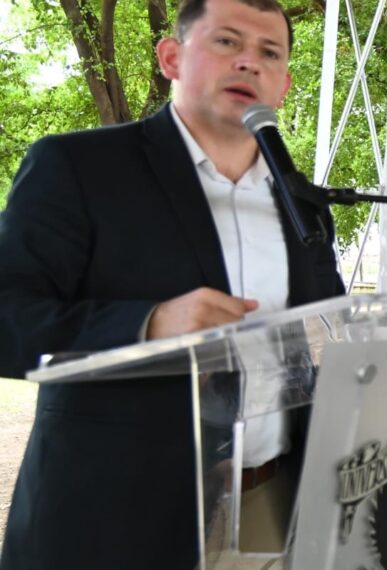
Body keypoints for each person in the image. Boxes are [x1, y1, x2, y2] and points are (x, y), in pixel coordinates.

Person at [0, 1, 345, 568]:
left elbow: (322, 335)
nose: (249, 64)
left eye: (269, 53)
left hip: (276, 506)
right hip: (116, 516)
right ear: (171, 57)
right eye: (227, 42)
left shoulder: (303, 203)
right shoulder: (78, 168)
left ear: (283, 84)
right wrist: (148, 324)